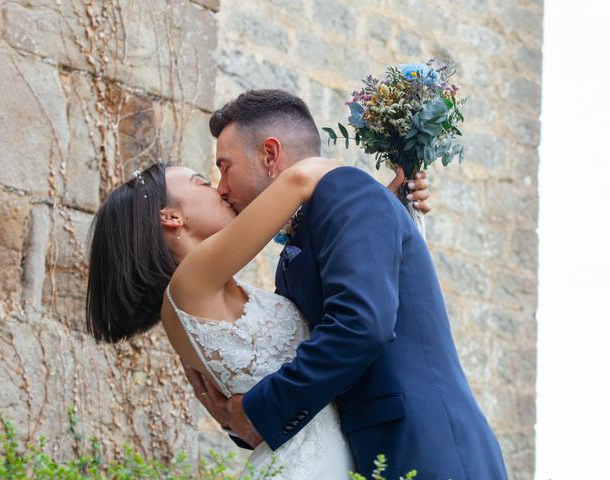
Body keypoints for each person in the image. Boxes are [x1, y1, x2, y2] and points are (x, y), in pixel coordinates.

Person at [184, 89, 509, 480]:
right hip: (367, 454)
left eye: (225, 166)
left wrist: (261, 411)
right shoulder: (301, 243)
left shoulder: (345, 190)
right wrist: (237, 417)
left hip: (426, 448)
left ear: (270, 156)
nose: (221, 187)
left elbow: (361, 325)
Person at [85, 156, 429, 478]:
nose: (219, 189)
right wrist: (361, 193)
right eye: (202, 182)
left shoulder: (214, 293)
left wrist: (378, 215)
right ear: (171, 217)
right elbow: (300, 177)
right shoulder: (189, 285)